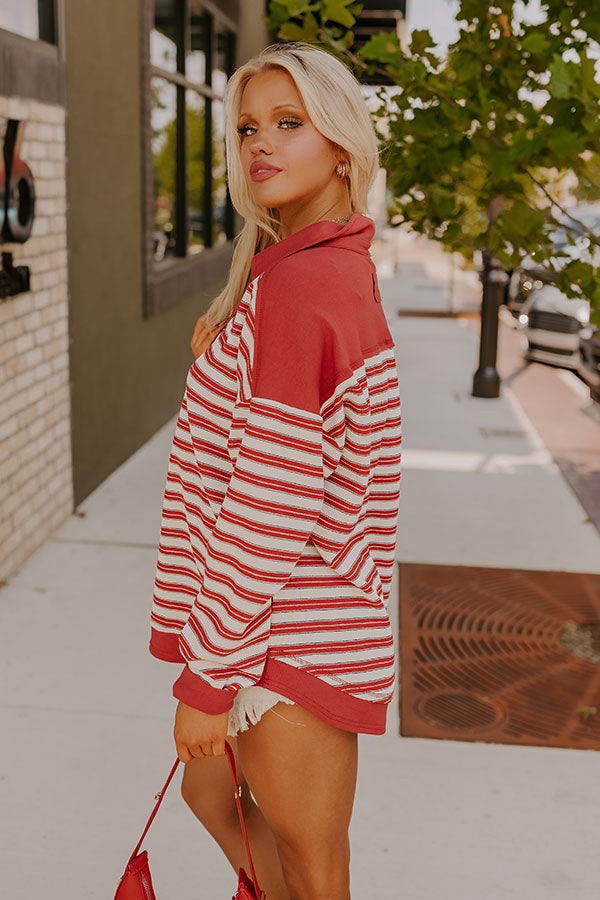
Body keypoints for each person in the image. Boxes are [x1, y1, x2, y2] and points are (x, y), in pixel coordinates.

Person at [149, 41, 402, 900]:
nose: (260, 143)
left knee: (313, 872)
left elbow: (273, 499)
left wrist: (208, 676)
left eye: (289, 124)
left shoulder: (305, 287)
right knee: (217, 798)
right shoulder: (306, 272)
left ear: (340, 144)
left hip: (287, 641)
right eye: (249, 126)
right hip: (277, 629)